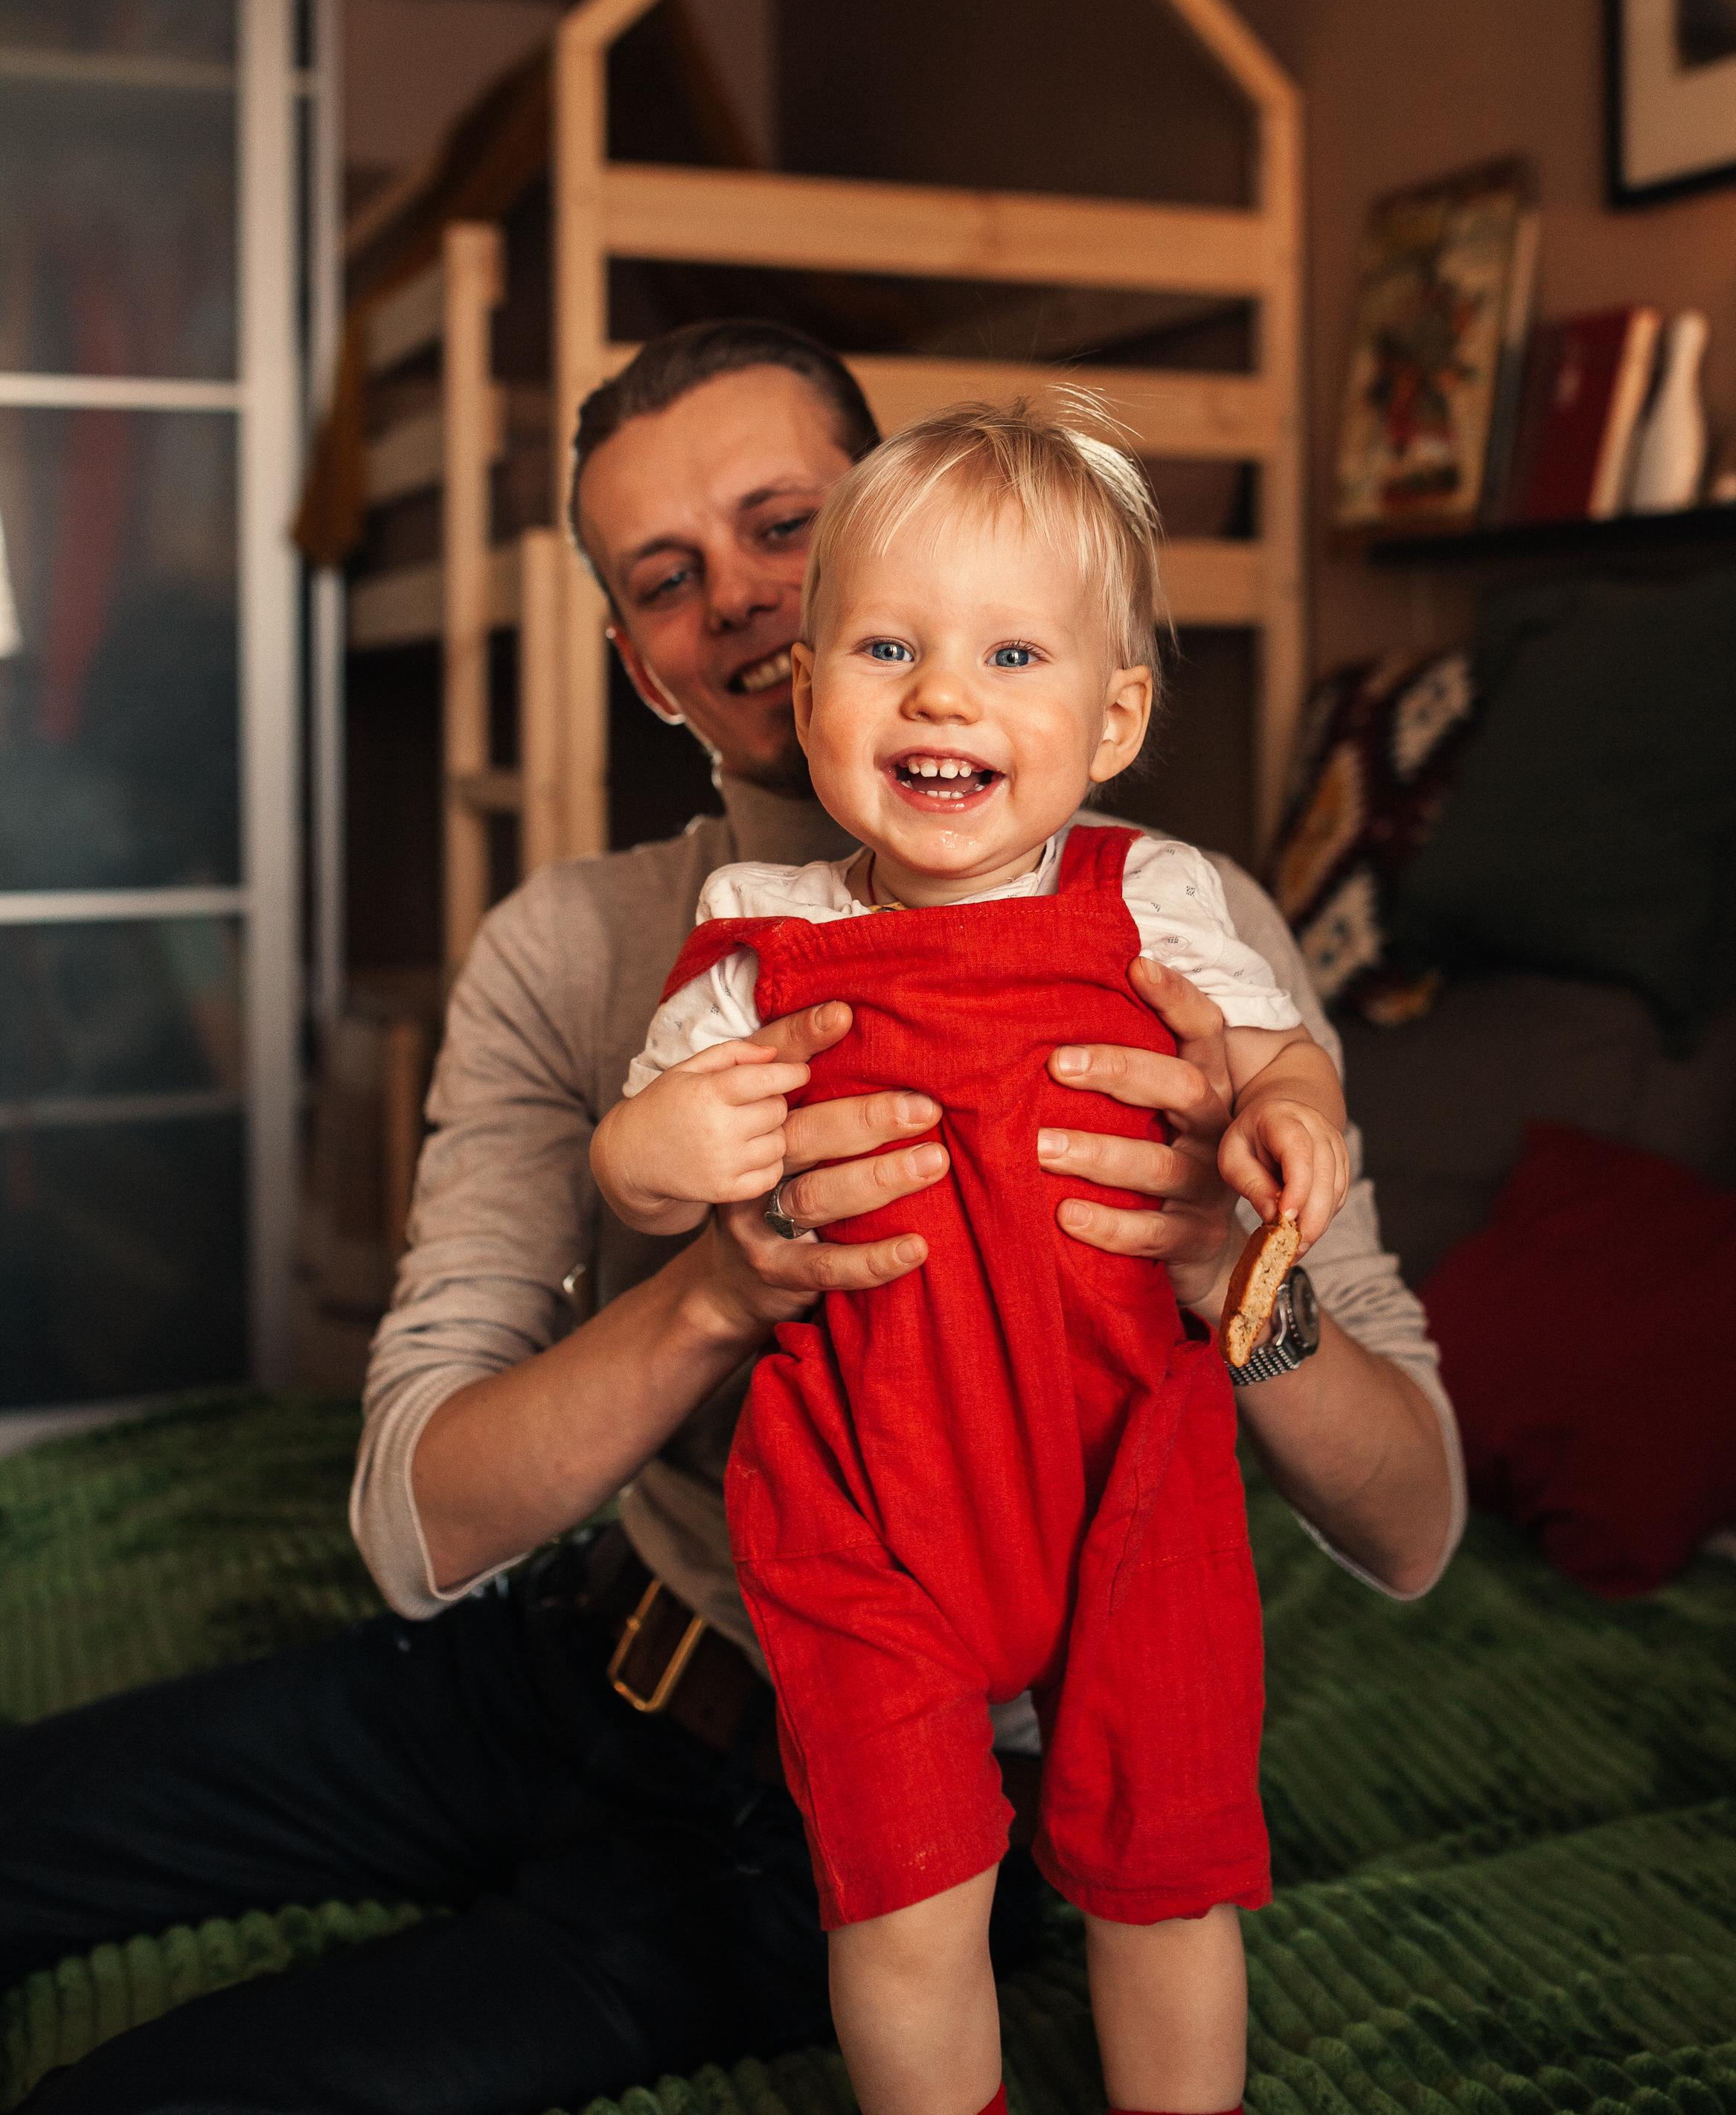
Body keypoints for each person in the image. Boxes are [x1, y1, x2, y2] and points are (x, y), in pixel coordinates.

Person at [0, 322, 1462, 2115]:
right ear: (640, 665)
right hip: (563, 1656)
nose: (752, 602)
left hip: (841, 1779)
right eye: (671, 580)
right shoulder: (587, 944)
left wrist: (1246, 1278)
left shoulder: (1165, 915)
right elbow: (410, 1519)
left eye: (786, 523)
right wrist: (715, 1286)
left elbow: (1413, 1527)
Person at [592, 400, 1351, 2115]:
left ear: (1116, 715)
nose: (945, 694)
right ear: (810, 696)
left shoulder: (1152, 894)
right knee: (904, 1891)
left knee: (1165, 1871)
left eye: (1014, 652)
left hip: (1126, 1467)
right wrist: (654, 1153)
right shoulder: (760, 938)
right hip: (867, 1490)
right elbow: (638, 1174)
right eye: (887, 646)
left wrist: (1293, 1113)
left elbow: (1269, 1051)